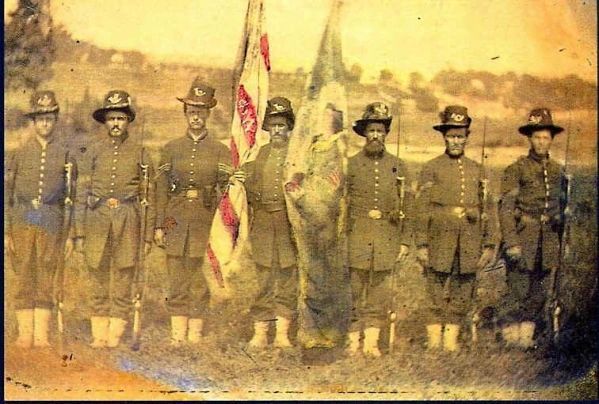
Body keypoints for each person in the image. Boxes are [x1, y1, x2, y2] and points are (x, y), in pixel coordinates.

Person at [75, 90, 156, 348]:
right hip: (97, 219)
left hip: (128, 219)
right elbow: (81, 193)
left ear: (128, 121)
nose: (116, 124)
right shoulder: (93, 152)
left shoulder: (141, 153)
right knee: (97, 275)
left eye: (121, 118)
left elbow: (149, 197)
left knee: (123, 277)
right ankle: (99, 333)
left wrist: (147, 235)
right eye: (111, 119)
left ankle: (115, 333)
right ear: (105, 121)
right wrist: (78, 232)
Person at [414, 105, 498, 353]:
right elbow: (421, 209)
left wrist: (490, 244)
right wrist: (421, 244)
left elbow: (489, 209)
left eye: (460, 136)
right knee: (435, 288)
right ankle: (434, 339)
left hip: (469, 240)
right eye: (451, 136)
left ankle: (450, 340)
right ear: (444, 137)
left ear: (467, 137)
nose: (455, 141)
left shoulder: (477, 170)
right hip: (439, 238)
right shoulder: (432, 167)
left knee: (463, 288)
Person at [154, 78, 229, 346]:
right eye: (192, 111)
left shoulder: (220, 150)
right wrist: (159, 225)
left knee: (199, 280)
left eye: (201, 111)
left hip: (205, 221)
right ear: (185, 113)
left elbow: (226, 190)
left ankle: (195, 337)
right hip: (175, 218)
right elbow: (161, 188)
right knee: (177, 278)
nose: (196, 116)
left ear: (208, 114)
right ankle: (177, 337)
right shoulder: (171, 148)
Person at [5, 91, 76, 348]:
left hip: (51, 219)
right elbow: (9, 195)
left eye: (49, 118)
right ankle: (25, 333)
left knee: (46, 273)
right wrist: (7, 231)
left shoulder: (65, 154)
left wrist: (69, 235)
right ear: (33, 121)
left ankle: (41, 334)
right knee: (24, 271)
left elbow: (71, 197)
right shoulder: (20, 153)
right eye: (40, 118)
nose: (45, 123)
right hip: (23, 219)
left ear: (55, 120)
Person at [345, 102, 413, 357]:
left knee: (379, 294)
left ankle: (372, 342)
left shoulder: (399, 166)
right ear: (364, 133)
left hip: (386, 239)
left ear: (386, 134)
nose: (376, 135)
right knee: (352, 292)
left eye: (380, 130)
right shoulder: (350, 165)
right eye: (371, 130)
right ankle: (352, 342)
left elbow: (408, 205)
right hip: (356, 237)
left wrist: (405, 241)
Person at [498, 108, 566, 349]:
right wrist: (511, 242)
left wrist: (560, 219)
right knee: (517, 286)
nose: (541, 142)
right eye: (537, 137)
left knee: (538, 290)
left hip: (547, 239)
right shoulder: (517, 169)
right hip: (523, 235)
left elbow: (561, 206)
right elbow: (506, 208)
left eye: (545, 137)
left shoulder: (558, 171)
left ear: (551, 140)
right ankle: (509, 336)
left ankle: (526, 337)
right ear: (529, 138)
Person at [243, 97, 299, 350]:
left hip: (288, 224)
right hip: (264, 223)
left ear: (289, 127)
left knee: (287, 278)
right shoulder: (261, 154)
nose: (277, 130)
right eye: (273, 125)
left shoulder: (298, 156)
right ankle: (260, 333)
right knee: (265, 279)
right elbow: (250, 189)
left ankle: (282, 334)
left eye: (282, 125)